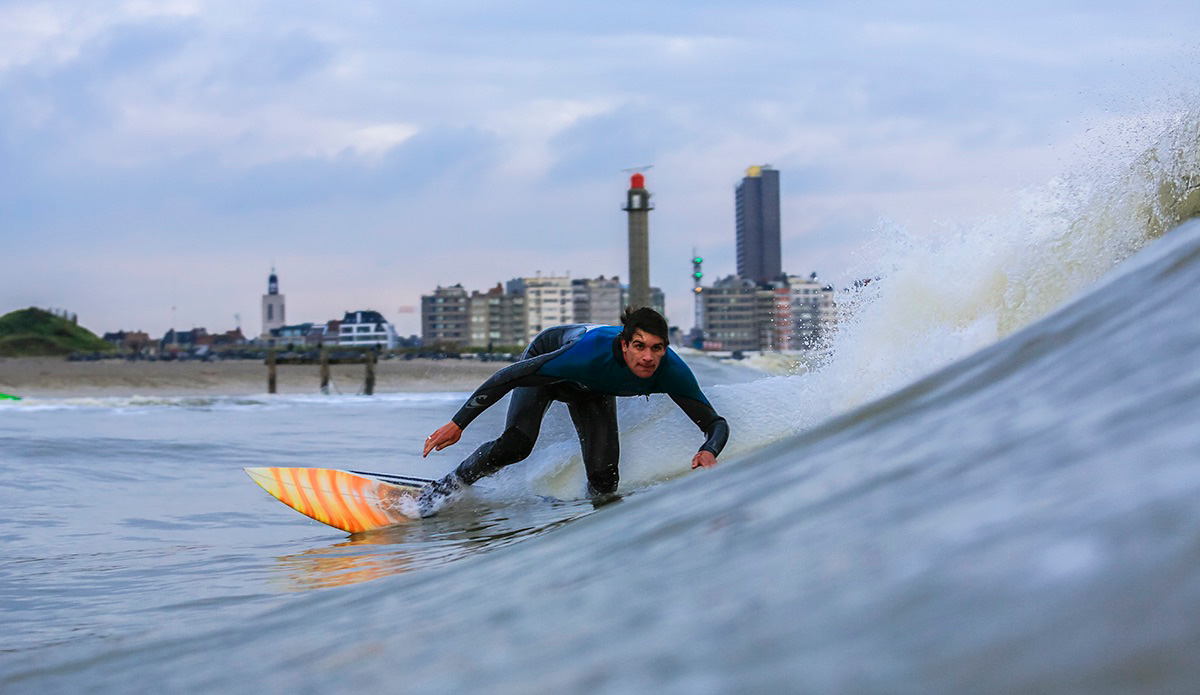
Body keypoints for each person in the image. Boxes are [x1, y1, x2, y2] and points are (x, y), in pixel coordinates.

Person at [417, 306, 729, 515]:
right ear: (624, 345)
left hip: (592, 390)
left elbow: (714, 423)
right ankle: (445, 488)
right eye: (639, 345)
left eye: (657, 348)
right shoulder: (586, 355)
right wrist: (458, 424)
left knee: (606, 479)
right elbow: (508, 376)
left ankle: (584, 524)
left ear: (665, 347)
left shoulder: (671, 372)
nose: (648, 357)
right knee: (517, 443)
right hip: (551, 361)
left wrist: (708, 449)